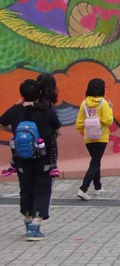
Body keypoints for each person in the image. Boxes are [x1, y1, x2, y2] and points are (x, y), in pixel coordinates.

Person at [0, 79, 61, 241]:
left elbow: (1, 122)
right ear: (39, 93)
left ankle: (27, 220)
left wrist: (12, 129)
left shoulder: (15, 110)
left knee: (26, 188)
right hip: (44, 158)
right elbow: (57, 128)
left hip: (21, 158)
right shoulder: (47, 112)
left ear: (22, 94)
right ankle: (35, 226)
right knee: (42, 190)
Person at [75, 78, 114, 201]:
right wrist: (110, 109)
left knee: (95, 160)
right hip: (101, 137)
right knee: (95, 162)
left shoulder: (84, 103)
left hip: (88, 137)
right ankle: (83, 189)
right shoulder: (103, 103)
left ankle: (98, 186)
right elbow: (108, 120)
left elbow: (79, 124)